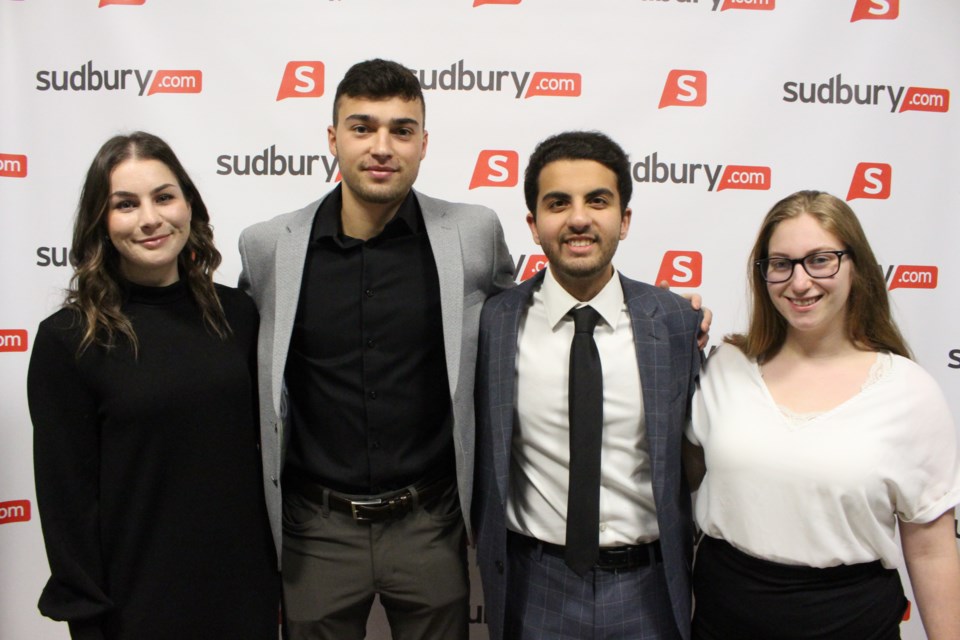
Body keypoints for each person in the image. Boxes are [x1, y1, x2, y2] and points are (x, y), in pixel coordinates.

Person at [237, 58, 515, 640]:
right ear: (332, 139)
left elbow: (526, 319)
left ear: (424, 143)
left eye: (401, 130)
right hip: (315, 526)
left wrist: (658, 313)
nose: (382, 147)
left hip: (432, 522)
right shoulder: (270, 247)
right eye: (362, 128)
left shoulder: (472, 234)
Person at [27, 132, 280, 640]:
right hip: (136, 608)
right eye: (126, 204)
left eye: (164, 197)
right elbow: (66, 505)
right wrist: (88, 619)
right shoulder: (68, 340)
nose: (150, 218)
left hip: (244, 597)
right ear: (101, 220)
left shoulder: (239, 315)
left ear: (189, 204)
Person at [685, 190, 960, 639]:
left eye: (820, 260)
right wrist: (663, 327)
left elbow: (931, 550)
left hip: (851, 621)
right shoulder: (725, 366)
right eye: (781, 263)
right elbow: (678, 472)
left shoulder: (909, 392)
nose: (799, 282)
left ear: (856, 267)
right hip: (723, 615)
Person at [473, 131, 703, 640]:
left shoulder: (674, 322)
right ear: (534, 226)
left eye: (597, 201)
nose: (578, 219)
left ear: (623, 219)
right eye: (558, 203)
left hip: (649, 587)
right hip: (535, 586)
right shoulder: (493, 322)